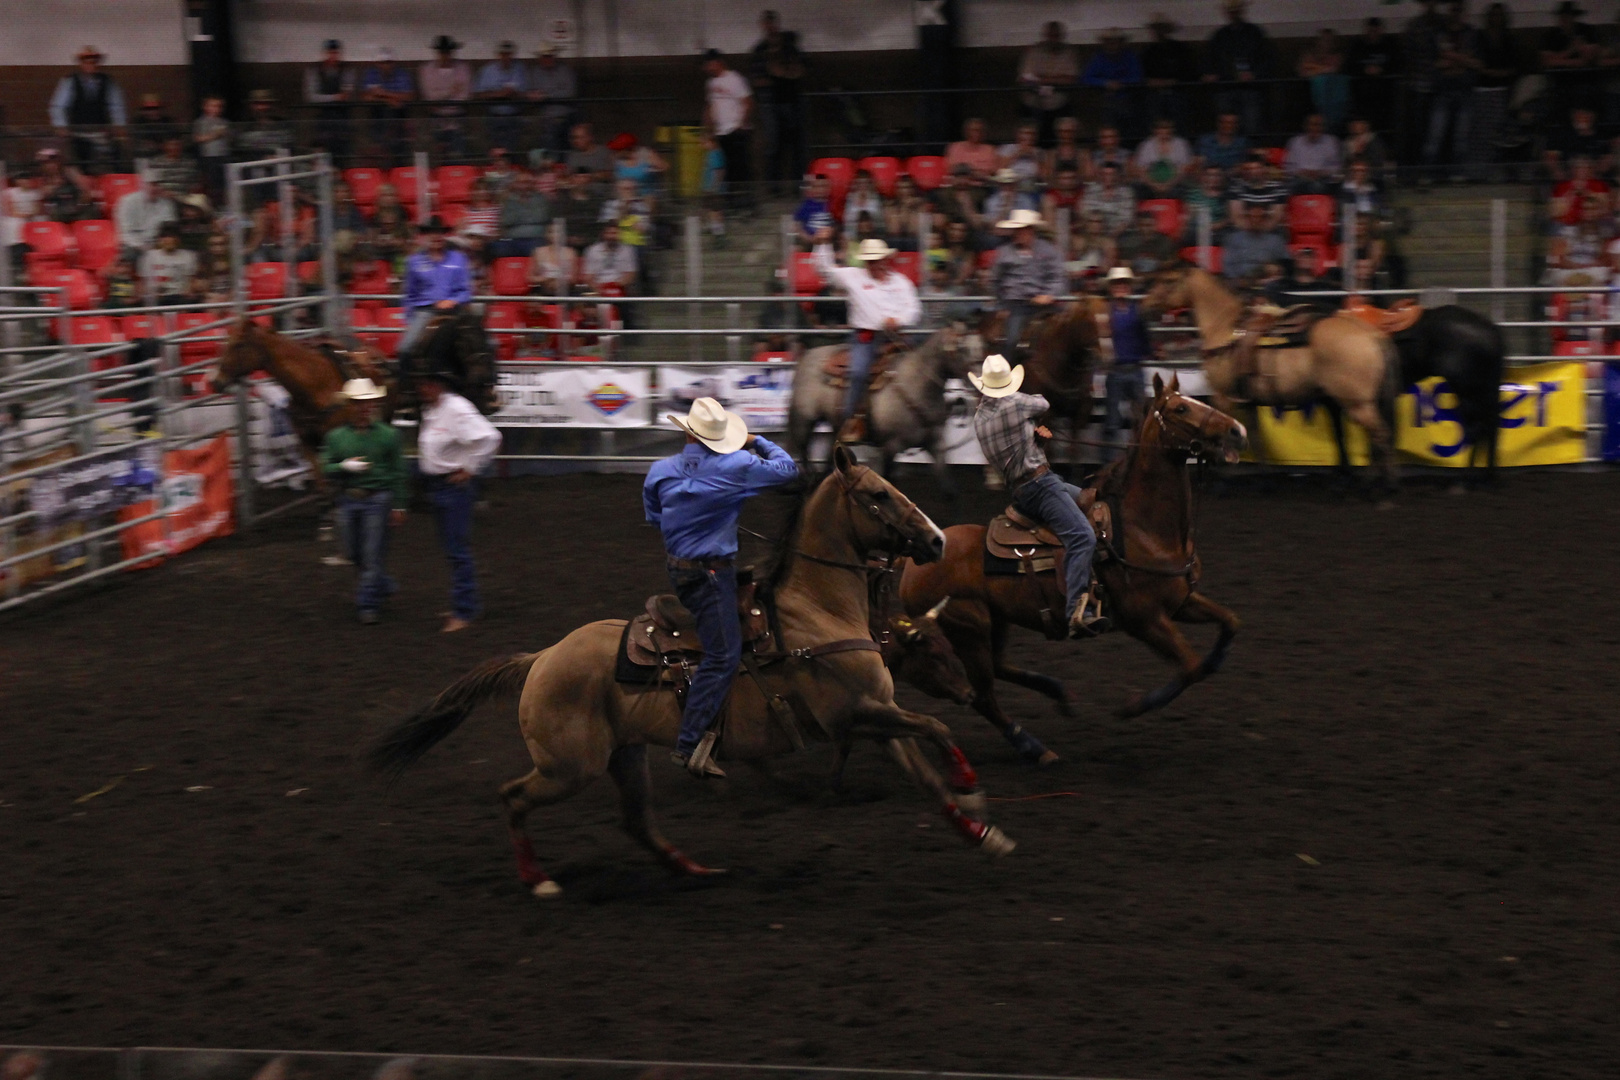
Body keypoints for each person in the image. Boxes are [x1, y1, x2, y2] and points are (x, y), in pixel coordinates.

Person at [642, 397, 799, 777]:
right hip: (711, 576)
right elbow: (789, 471)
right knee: (724, 655)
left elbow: (655, 517)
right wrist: (759, 442)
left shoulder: (659, 470)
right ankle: (689, 742)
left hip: (679, 570)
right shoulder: (738, 464)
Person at [970, 354, 1108, 638]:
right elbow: (1042, 403)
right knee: (1083, 536)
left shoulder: (979, 418)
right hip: (1042, 486)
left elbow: (1012, 448)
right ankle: (1075, 612)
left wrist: (1033, 440)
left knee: (1088, 500)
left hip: (1023, 489)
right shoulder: (1013, 404)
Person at [415, 371, 502, 633]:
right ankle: (462, 604)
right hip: (441, 486)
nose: (423, 387)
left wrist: (471, 467)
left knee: (457, 549)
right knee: (453, 548)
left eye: (427, 382)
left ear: (439, 384)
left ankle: (464, 610)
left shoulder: (456, 409)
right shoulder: (436, 410)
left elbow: (490, 437)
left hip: (452, 486)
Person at [812, 237, 923, 430]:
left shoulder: (900, 282)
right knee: (859, 372)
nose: (876, 264)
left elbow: (914, 309)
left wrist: (899, 320)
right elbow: (825, 271)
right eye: (871, 261)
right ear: (866, 262)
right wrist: (823, 244)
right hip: (866, 338)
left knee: (922, 366)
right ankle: (849, 419)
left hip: (896, 336)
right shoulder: (853, 276)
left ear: (886, 259)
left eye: (879, 259)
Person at [321, 378, 408, 624]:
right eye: (358, 403)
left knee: (369, 554)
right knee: (352, 551)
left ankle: (367, 604)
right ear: (349, 405)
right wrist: (343, 466)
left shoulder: (388, 435)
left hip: (377, 499)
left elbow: (399, 472)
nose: (363, 408)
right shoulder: (336, 437)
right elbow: (326, 467)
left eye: (366, 403)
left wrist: (400, 504)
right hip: (350, 499)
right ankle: (383, 582)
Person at [990, 208, 1065, 357]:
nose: (1017, 234)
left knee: (1065, 332)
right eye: (1016, 230)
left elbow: (1057, 276)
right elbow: (995, 281)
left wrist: (1048, 294)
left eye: (1021, 230)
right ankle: (1008, 374)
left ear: (1031, 230)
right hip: (1016, 304)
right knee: (1012, 341)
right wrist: (1001, 305)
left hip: (1044, 304)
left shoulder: (1048, 251)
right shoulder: (1004, 252)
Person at [752, 12, 810, 193]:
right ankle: (773, 187)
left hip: (793, 101)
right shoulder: (760, 50)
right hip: (771, 102)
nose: (770, 26)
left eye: (772, 23)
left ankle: (797, 186)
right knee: (774, 145)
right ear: (763, 25)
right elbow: (758, 80)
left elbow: (800, 70)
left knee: (797, 145)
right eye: (766, 23)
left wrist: (780, 75)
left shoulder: (790, 47)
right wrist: (783, 75)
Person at [1422, 2, 1480, 183]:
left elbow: (1477, 63)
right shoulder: (1438, 33)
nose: (1455, 14)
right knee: (1435, 135)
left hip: (1464, 89)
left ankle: (1458, 173)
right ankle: (1428, 173)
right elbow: (1434, 64)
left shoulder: (1471, 33)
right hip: (1443, 90)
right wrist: (1461, 61)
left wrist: (1453, 58)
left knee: (1461, 136)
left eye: (1459, 10)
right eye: (1453, 10)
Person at [399, 217, 472, 358]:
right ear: (424, 237)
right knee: (405, 348)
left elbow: (465, 290)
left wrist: (453, 300)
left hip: (454, 310)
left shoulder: (458, 259)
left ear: (444, 235)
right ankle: (404, 379)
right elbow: (409, 294)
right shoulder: (414, 262)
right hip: (426, 310)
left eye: (439, 232)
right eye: (431, 233)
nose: (436, 236)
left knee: (482, 344)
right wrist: (409, 320)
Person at [49, 46, 127, 170]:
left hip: (101, 131)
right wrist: (61, 126)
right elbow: (58, 106)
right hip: (78, 133)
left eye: (94, 61)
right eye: (87, 61)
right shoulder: (69, 81)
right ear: (81, 64)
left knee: (113, 160)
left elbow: (116, 105)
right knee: (82, 164)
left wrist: (119, 126)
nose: (91, 65)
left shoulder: (108, 81)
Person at [1101, 266, 1152, 456]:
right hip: (1116, 369)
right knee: (1113, 421)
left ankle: (1139, 459)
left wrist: (1147, 351)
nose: (1120, 287)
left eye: (1123, 284)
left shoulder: (1136, 312)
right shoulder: (1108, 313)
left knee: (1140, 420)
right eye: (1117, 284)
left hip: (1133, 368)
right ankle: (1110, 464)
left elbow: (1144, 337)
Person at [1203, 0, 1274, 135]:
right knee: (1227, 127)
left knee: (1251, 126)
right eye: (1231, 11)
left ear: (1241, 11)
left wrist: (1254, 75)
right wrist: (1210, 73)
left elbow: (1267, 59)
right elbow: (1209, 60)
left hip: (1250, 88)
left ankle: (1248, 154)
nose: (1233, 14)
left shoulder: (1255, 33)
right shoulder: (1220, 35)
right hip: (1226, 87)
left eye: (1235, 10)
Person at [704, 50, 755, 211]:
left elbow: (748, 101)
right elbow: (712, 106)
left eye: (710, 64)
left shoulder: (735, 79)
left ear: (718, 62)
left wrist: (741, 124)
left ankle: (746, 201)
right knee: (726, 167)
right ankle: (731, 201)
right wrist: (708, 129)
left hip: (736, 129)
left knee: (741, 167)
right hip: (722, 132)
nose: (708, 68)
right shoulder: (711, 84)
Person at [1018, 22, 1080, 145]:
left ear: (1062, 36)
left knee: (1060, 140)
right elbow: (1024, 78)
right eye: (1051, 35)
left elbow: (1072, 79)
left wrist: (1045, 79)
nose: (1053, 39)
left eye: (1056, 36)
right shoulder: (1034, 51)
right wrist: (1056, 78)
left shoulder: (1069, 52)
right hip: (1034, 103)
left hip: (1059, 104)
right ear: (1045, 36)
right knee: (1034, 138)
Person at [1141, 13, 1200, 132]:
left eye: (1161, 28)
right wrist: (1150, 82)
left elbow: (1190, 71)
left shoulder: (1180, 49)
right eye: (1157, 28)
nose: (1159, 32)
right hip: (1156, 95)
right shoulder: (1148, 51)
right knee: (1155, 124)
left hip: (1176, 93)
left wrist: (1174, 81)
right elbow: (1142, 74)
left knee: (1179, 125)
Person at [1082, 29, 1144, 136]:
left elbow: (1138, 77)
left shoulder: (1130, 56)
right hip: (1108, 100)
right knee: (1109, 130)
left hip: (1129, 99)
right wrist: (1105, 83)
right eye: (1109, 41)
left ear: (1121, 42)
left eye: (1115, 41)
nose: (1112, 44)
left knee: (1130, 131)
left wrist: (1121, 83)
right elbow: (1086, 78)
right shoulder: (1099, 58)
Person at [360, 47, 415, 165]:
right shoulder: (371, 73)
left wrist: (383, 94)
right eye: (382, 62)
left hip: (399, 116)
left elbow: (409, 96)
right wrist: (389, 100)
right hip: (378, 117)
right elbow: (366, 97)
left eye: (389, 62)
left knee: (399, 150)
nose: (385, 66)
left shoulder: (402, 74)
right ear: (377, 63)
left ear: (394, 63)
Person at [1346, 17, 1401, 133]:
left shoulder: (1390, 44)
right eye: (1370, 31)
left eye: (1376, 31)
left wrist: (1382, 69)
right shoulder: (1357, 45)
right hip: (1362, 94)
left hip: (1386, 93)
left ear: (1381, 31)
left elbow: (1399, 64)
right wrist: (1364, 70)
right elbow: (1348, 66)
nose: (1373, 34)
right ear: (1366, 31)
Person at [474, 41, 530, 156]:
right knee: (495, 150)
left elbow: (525, 92)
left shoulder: (519, 68)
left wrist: (513, 93)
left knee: (512, 151)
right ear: (498, 55)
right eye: (503, 54)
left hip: (514, 115)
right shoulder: (488, 70)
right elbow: (479, 94)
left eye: (508, 54)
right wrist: (498, 94)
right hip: (493, 115)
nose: (506, 57)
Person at [420, 35, 472, 157]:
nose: (445, 55)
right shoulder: (426, 70)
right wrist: (451, 92)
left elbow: (464, 96)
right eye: (442, 52)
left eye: (447, 52)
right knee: (437, 155)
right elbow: (430, 99)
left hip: (458, 116)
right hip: (436, 118)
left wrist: (441, 95)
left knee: (458, 154)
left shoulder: (463, 68)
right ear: (437, 53)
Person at [304, 39, 356, 158]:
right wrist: (335, 97)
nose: (333, 56)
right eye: (330, 52)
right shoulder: (314, 70)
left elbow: (347, 95)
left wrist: (329, 98)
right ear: (325, 53)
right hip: (322, 118)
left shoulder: (347, 69)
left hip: (343, 118)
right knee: (322, 153)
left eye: (335, 52)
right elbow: (311, 97)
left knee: (343, 154)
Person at [528, 44, 580, 154]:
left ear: (554, 56)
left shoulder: (565, 70)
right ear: (540, 58)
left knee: (568, 150)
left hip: (567, 117)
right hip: (548, 119)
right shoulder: (535, 72)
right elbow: (532, 92)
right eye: (545, 56)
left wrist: (546, 96)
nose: (548, 59)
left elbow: (570, 92)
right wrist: (534, 96)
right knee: (551, 151)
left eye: (550, 56)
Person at [1298, 29, 1351, 132]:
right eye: (1323, 40)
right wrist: (1321, 70)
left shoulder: (1337, 55)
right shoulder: (1309, 54)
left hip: (1332, 96)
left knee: (1324, 80)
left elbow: (1333, 69)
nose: (1326, 43)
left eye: (1329, 40)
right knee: (1320, 80)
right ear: (1317, 41)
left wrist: (1314, 69)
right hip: (1309, 95)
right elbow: (1302, 71)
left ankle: (1330, 122)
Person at [1223, 203, 1292, 282]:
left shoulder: (1276, 240)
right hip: (1241, 282)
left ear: (1265, 219)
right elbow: (1228, 266)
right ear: (1247, 218)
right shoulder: (1234, 239)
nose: (1256, 220)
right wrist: (1238, 281)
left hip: (1268, 283)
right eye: (1253, 217)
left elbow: (1286, 265)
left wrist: (1276, 270)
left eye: (1260, 217)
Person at [494, 170, 552, 258]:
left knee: (535, 248)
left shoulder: (541, 199)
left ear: (533, 184)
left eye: (527, 182)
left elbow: (541, 217)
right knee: (496, 248)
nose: (524, 186)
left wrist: (517, 214)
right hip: (511, 239)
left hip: (536, 238)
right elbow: (506, 220)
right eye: (521, 183)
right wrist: (529, 212)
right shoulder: (507, 200)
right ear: (514, 184)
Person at [1132, 117, 1193, 197]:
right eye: (1161, 128)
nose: (1164, 131)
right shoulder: (1146, 145)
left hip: (1176, 184)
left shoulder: (1181, 144)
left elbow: (1185, 169)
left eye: (1167, 128)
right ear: (1155, 130)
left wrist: (1169, 185)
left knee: (1183, 191)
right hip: (1151, 184)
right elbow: (1141, 171)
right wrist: (1154, 185)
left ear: (1172, 130)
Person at [1227, 151, 1289, 230]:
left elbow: (1276, 218)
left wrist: (1259, 233)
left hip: (1270, 232)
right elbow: (1236, 218)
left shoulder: (1278, 188)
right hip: (1243, 232)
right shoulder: (1236, 187)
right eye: (1249, 169)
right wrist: (1252, 233)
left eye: (1257, 168)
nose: (1253, 172)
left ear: (1264, 169)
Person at [1284, 113, 1344, 193]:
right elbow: (1288, 166)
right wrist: (1302, 172)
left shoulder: (1331, 141)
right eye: (1313, 124)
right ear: (1306, 126)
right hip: (1299, 178)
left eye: (1319, 125)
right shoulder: (1295, 142)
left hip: (1323, 179)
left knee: (1321, 186)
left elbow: (1337, 166)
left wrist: (1321, 173)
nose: (1316, 128)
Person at [139, 223, 197, 305]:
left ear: (178, 239)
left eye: (172, 237)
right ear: (159, 239)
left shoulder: (188, 256)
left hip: (179, 296)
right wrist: (150, 293)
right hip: (156, 296)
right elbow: (143, 282)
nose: (169, 240)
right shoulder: (149, 256)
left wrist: (187, 293)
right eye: (165, 237)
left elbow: (191, 282)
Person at [115, 180, 176, 257]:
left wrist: (158, 245)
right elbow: (126, 232)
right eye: (151, 185)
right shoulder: (127, 202)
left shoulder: (167, 204)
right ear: (142, 186)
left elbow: (169, 229)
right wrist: (141, 246)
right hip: (133, 245)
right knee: (131, 253)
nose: (154, 188)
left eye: (157, 185)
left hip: (157, 243)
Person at [191, 95, 230, 199]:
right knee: (211, 184)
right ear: (205, 107)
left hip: (223, 156)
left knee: (224, 184)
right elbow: (197, 138)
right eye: (213, 106)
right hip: (208, 158)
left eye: (219, 106)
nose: (216, 109)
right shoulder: (200, 122)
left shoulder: (224, 122)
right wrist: (214, 135)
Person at [1084, 161, 1136, 236]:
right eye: (1104, 174)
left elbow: (1126, 221)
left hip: (1120, 235)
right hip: (1094, 233)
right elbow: (1086, 213)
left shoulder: (1126, 193)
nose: (1107, 177)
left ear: (1118, 176)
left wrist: (1110, 237)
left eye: (1111, 174)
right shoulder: (1091, 190)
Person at [944, 118, 999, 188]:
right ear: (966, 131)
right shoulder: (955, 147)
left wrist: (967, 171)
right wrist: (973, 171)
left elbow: (991, 172)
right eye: (973, 130)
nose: (977, 133)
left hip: (979, 186)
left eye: (980, 130)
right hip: (956, 185)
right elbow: (950, 169)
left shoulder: (990, 150)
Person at [565, 123, 615, 191]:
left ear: (590, 137)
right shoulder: (573, 156)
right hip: (579, 194)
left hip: (601, 193)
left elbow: (610, 174)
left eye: (581, 137)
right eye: (575, 138)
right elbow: (569, 176)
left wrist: (591, 176)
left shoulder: (603, 152)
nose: (577, 141)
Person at [793, 173, 835, 247]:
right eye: (817, 187)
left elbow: (837, 225)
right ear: (812, 188)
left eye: (823, 186)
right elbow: (797, 227)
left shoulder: (834, 204)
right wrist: (810, 239)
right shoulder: (806, 206)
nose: (821, 190)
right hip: (809, 242)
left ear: (829, 188)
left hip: (830, 242)